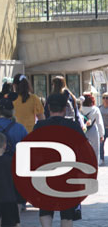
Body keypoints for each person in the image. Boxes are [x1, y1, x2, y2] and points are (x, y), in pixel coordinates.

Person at [33, 93, 86, 227]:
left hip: (45, 172)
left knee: (45, 209)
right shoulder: (73, 126)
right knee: (67, 212)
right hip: (68, 172)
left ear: (49, 108)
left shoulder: (40, 126)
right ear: (65, 108)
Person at [80, 93, 105, 164]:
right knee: (95, 150)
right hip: (93, 130)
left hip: (82, 130)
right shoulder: (95, 109)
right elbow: (99, 123)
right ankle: (95, 165)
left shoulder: (80, 109)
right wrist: (101, 135)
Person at [100, 92, 108, 165]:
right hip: (103, 129)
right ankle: (101, 158)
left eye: (107, 98)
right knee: (101, 144)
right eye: (104, 98)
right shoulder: (99, 108)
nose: (105, 99)